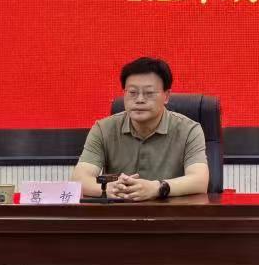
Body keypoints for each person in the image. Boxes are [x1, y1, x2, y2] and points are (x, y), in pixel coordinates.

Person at [71, 57, 210, 201]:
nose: (139, 99)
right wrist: (107, 189)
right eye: (132, 92)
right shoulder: (103, 129)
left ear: (166, 96)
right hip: (120, 211)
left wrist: (157, 188)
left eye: (149, 93)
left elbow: (200, 181)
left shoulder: (189, 130)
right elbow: (79, 178)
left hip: (171, 212)